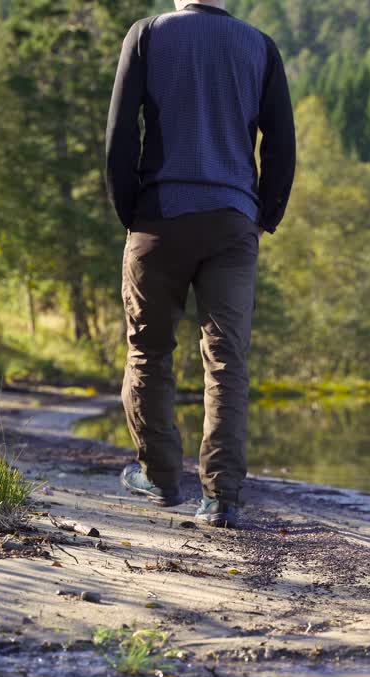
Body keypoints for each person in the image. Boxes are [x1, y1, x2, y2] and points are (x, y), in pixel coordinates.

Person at [104, 0, 296, 529]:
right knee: (227, 360)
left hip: (159, 217)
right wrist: (264, 217)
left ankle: (161, 476)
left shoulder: (147, 35)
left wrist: (132, 213)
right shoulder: (260, 47)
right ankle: (222, 497)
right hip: (233, 222)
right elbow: (281, 143)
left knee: (148, 349)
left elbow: (121, 134)